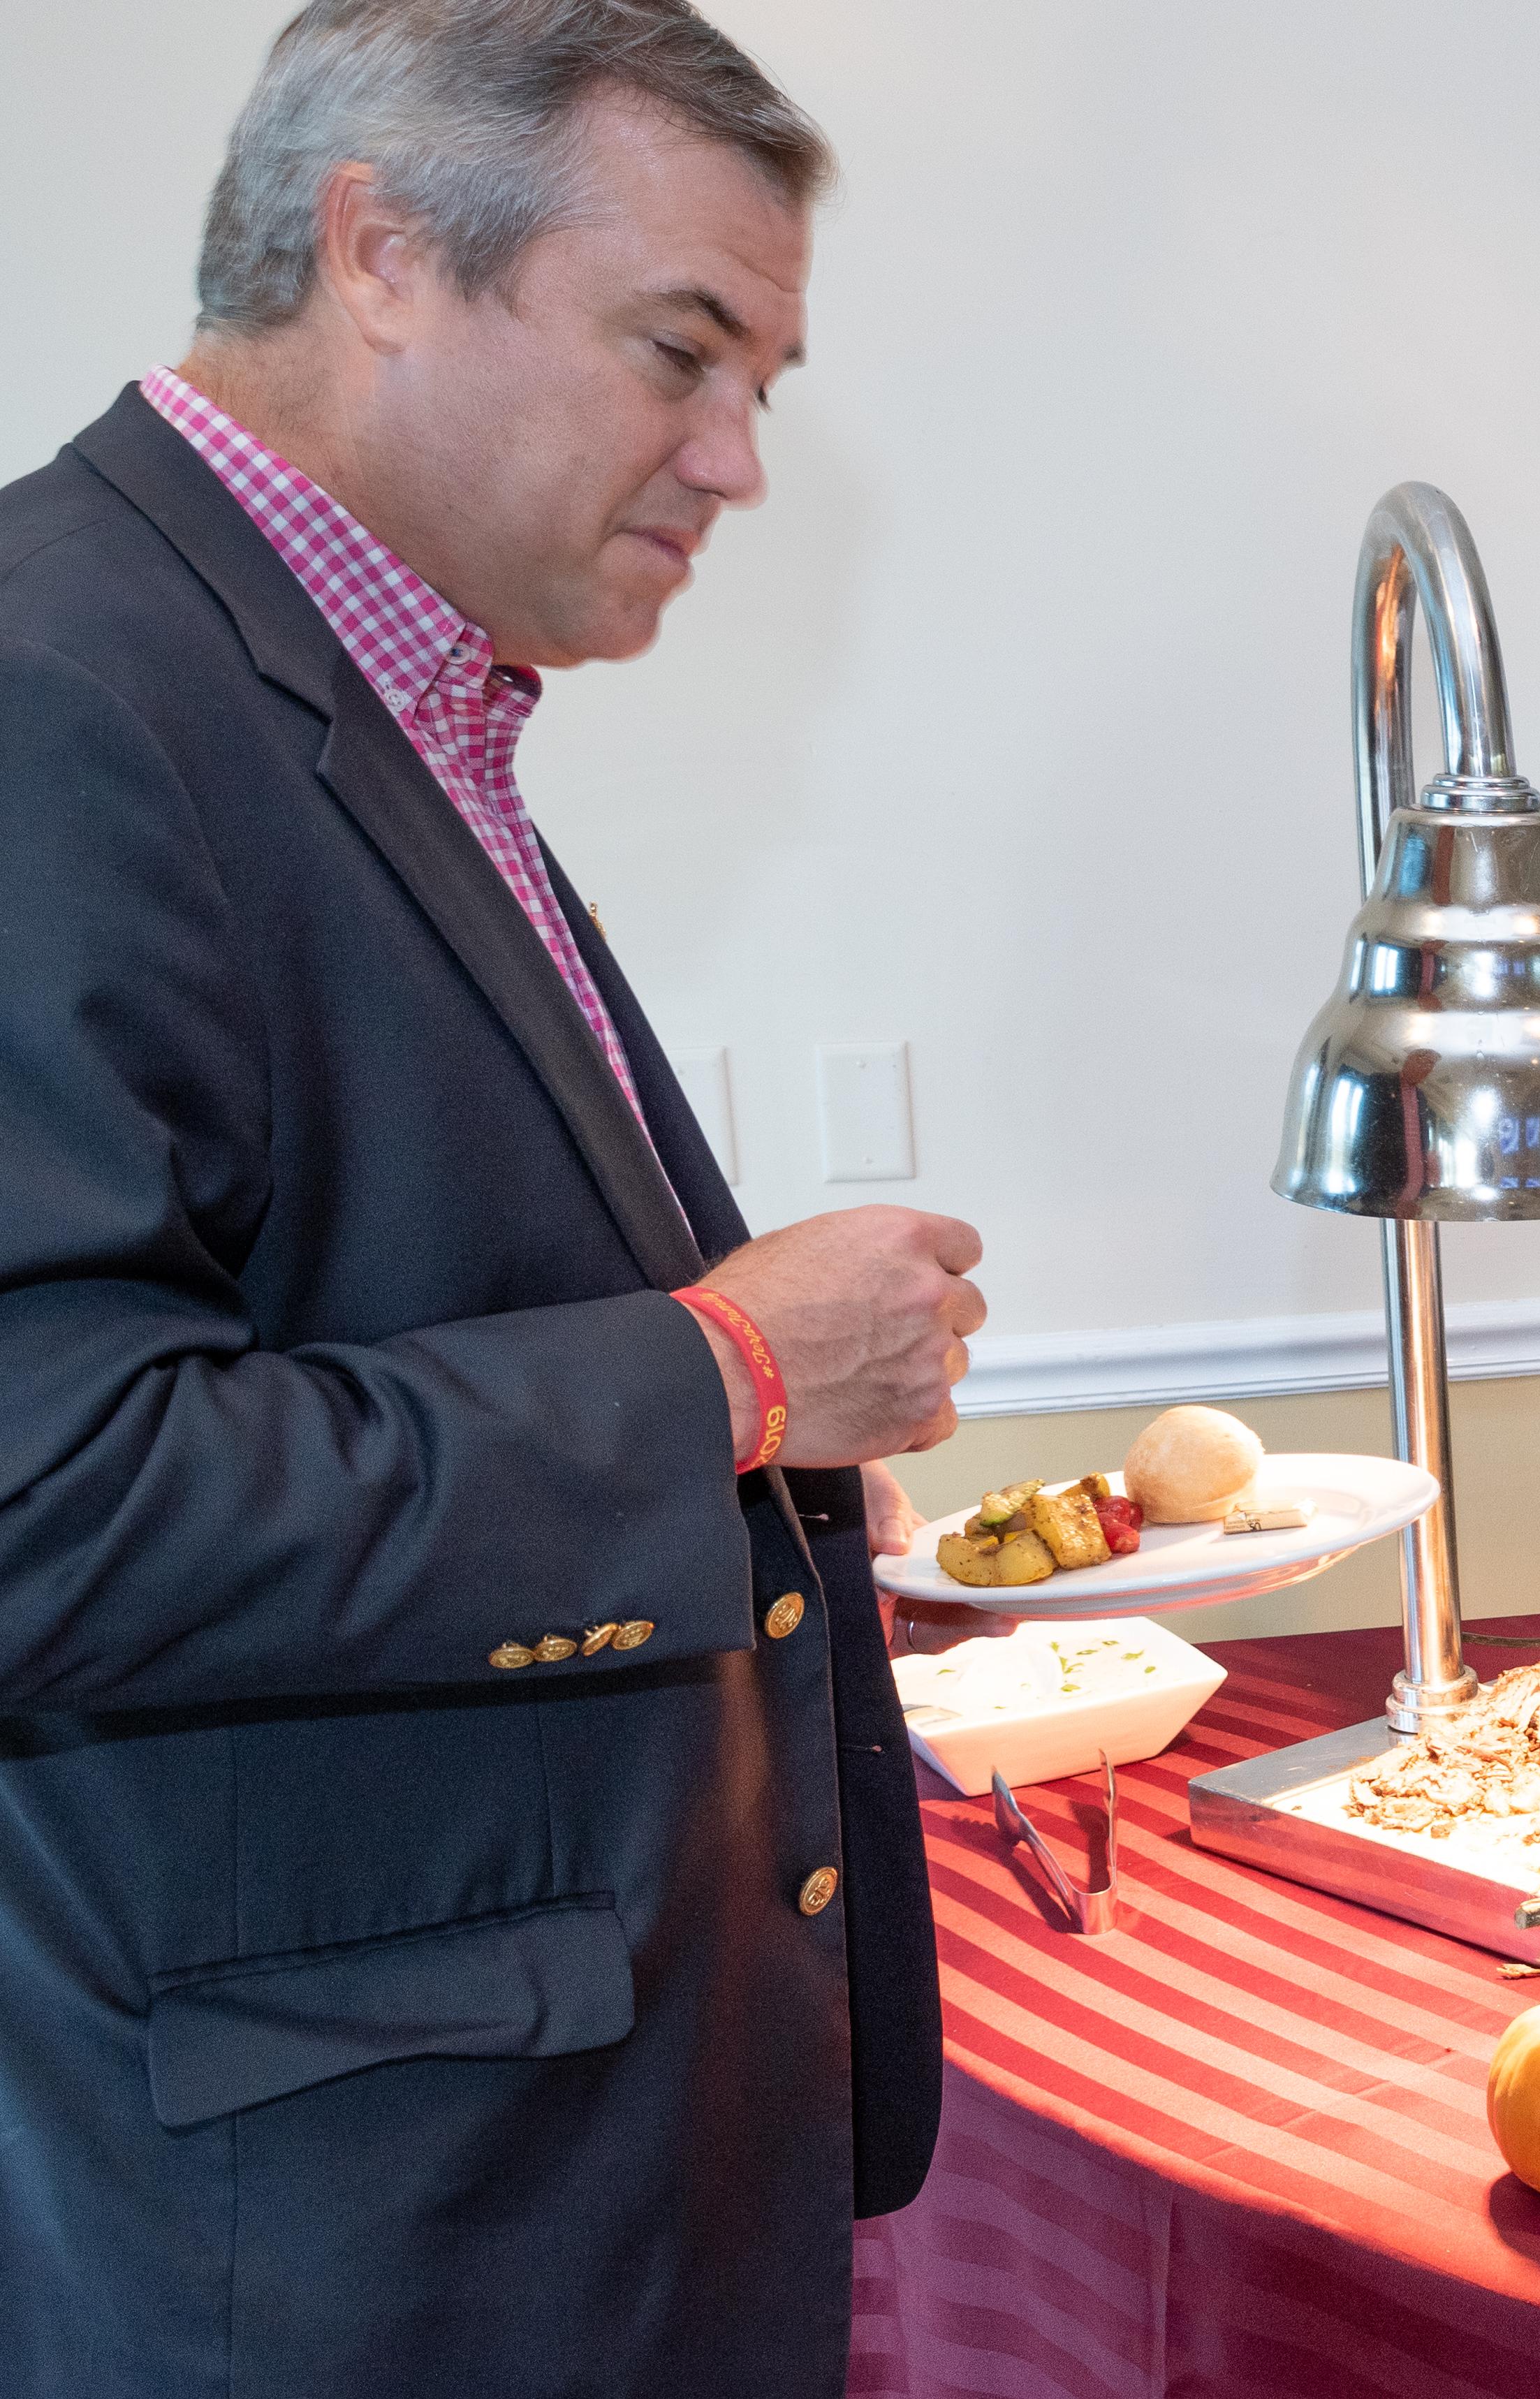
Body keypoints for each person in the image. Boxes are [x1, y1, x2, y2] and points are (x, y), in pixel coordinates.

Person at [0, 5, 973, 2389]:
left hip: (526, 2182)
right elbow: (46, 1495)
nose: (739, 458)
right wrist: (724, 1371)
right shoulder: (64, 685)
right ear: (385, 249)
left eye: (768, 375)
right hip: (332, 2250)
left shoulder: (362, 691)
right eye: (684, 352)